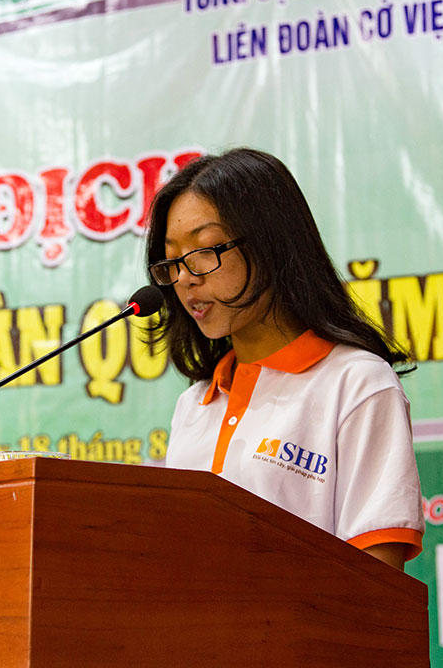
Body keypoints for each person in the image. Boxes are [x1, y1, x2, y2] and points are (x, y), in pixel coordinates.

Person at [145, 147, 424, 570]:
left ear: (271, 244)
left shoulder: (357, 384)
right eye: (174, 261)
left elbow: (378, 577)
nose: (185, 278)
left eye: (205, 250)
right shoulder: (194, 404)